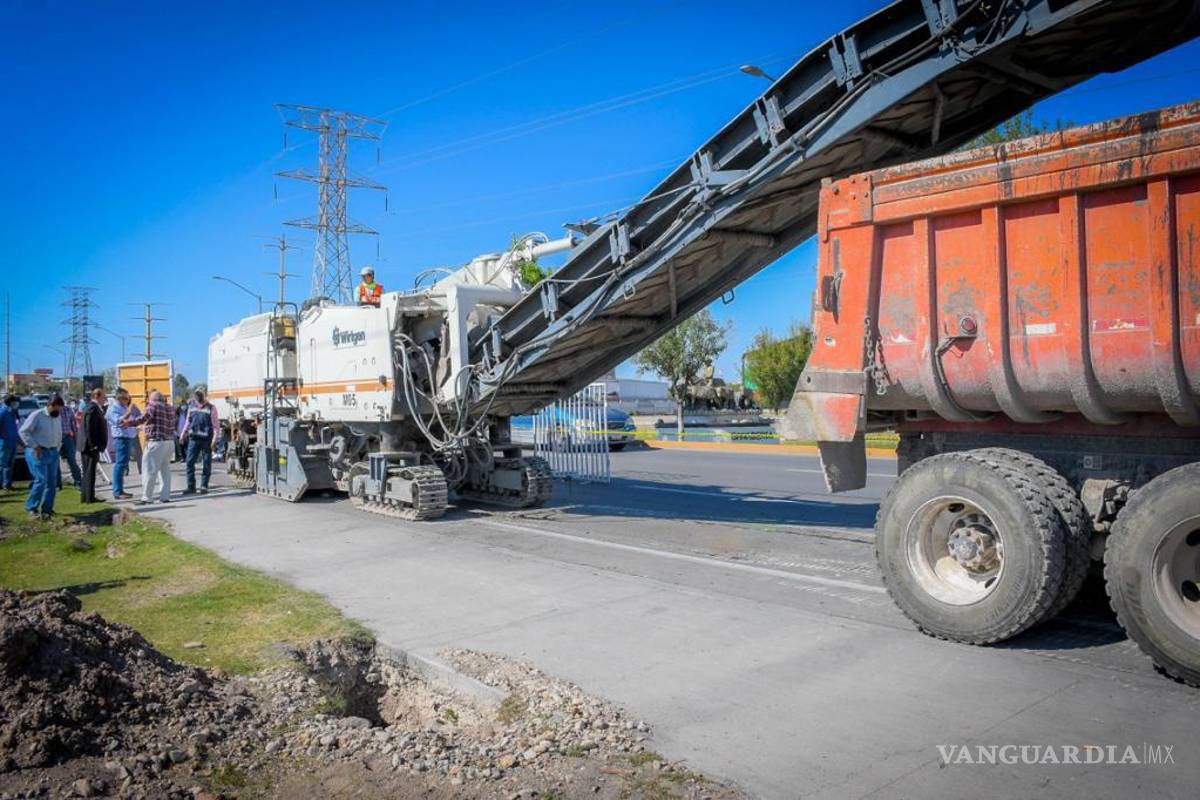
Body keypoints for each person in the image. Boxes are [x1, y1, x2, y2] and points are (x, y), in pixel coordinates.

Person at [123, 390, 175, 504]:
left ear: (153, 399)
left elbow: (144, 418)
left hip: (156, 442)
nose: (147, 401)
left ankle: (147, 497)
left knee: (149, 470)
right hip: (169, 442)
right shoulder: (170, 408)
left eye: (148, 399)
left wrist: (129, 423)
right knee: (165, 471)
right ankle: (165, 496)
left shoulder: (153, 405)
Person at [18, 394, 64, 519]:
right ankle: (31, 508)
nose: (59, 412)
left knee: (52, 482)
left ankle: (47, 509)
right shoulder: (37, 415)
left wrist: (58, 447)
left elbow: (58, 433)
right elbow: (23, 431)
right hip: (38, 452)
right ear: (50, 405)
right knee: (41, 480)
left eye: (60, 409)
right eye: (57, 409)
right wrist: (34, 446)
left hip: (53, 452)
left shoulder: (57, 417)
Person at [179, 389, 219, 495]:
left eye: (200, 396)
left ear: (204, 396)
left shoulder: (211, 408)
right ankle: (191, 486)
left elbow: (216, 426)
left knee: (206, 463)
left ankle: (204, 486)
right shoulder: (191, 407)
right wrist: (183, 434)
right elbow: (188, 421)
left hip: (207, 440)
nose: (199, 399)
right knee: (189, 462)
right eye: (197, 397)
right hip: (193, 438)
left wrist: (214, 440)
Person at [105, 388, 139, 500]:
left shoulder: (123, 407)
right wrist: (129, 411)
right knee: (120, 464)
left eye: (127, 398)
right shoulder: (113, 409)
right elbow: (119, 421)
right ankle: (117, 491)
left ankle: (120, 490)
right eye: (125, 398)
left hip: (127, 437)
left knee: (123, 464)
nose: (127, 400)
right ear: (119, 398)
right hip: (121, 438)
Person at [78, 388, 108, 503]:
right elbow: (88, 428)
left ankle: (87, 496)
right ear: (97, 396)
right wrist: (92, 444)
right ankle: (89, 497)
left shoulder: (95, 408)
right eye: (103, 396)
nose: (104, 399)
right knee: (89, 471)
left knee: (89, 471)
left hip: (90, 444)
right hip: (89, 446)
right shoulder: (92, 408)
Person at [58, 394, 83, 490]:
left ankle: (78, 482)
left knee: (72, 461)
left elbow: (73, 425)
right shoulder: (53, 412)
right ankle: (57, 483)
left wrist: (76, 439)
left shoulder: (68, 410)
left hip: (68, 437)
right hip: (56, 438)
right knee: (56, 462)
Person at [0, 395, 19, 491]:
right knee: (2, 465)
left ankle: (7, 484)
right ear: (9, 402)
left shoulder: (12, 412)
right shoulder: (2, 412)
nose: (16, 404)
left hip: (13, 442)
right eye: (14, 402)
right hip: (4, 442)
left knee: (10, 465)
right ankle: (2, 484)